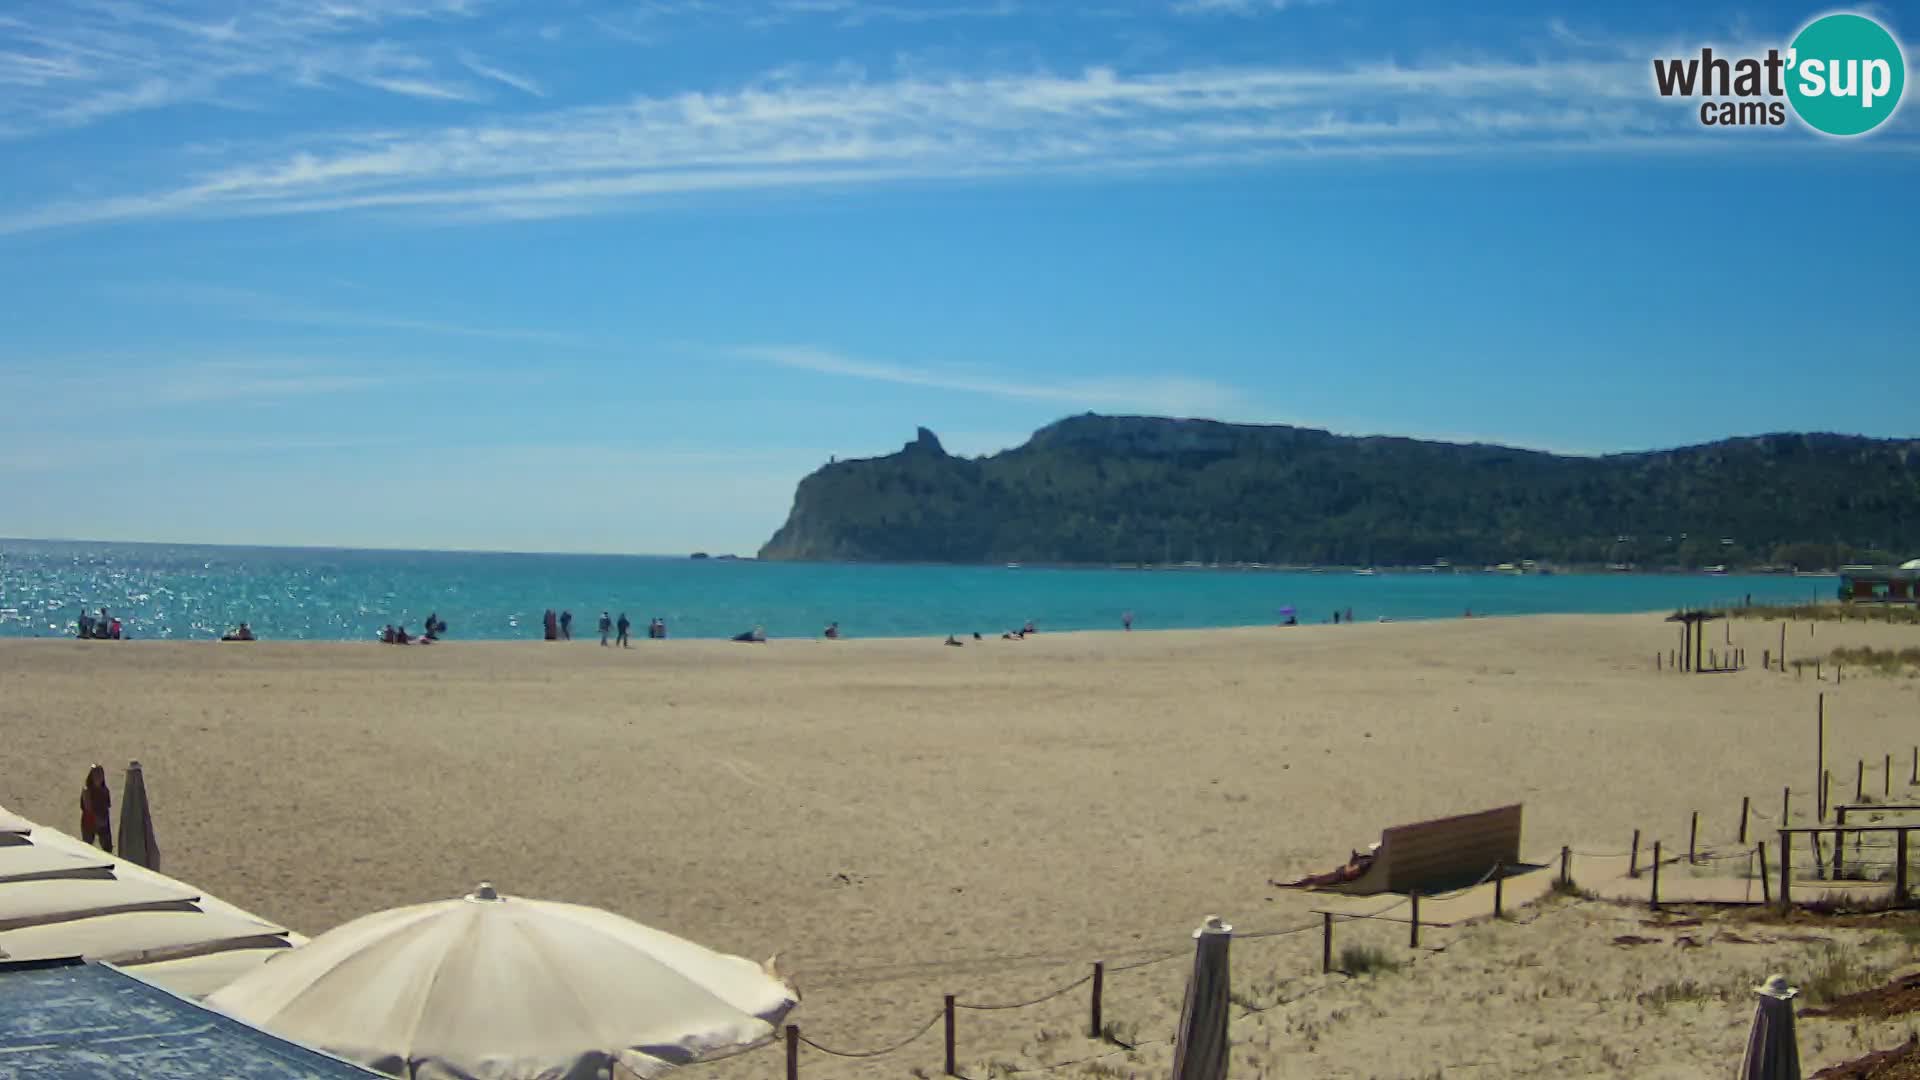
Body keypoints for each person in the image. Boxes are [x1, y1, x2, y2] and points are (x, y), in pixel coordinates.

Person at [80, 765, 113, 852]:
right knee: (87, 849)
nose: (99, 778)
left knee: (107, 849)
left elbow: (107, 806)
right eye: (96, 775)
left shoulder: (105, 790)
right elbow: (87, 807)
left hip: (103, 822)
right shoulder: (87, 790)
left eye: (100, 775)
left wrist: (104, 821)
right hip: (89, 822)